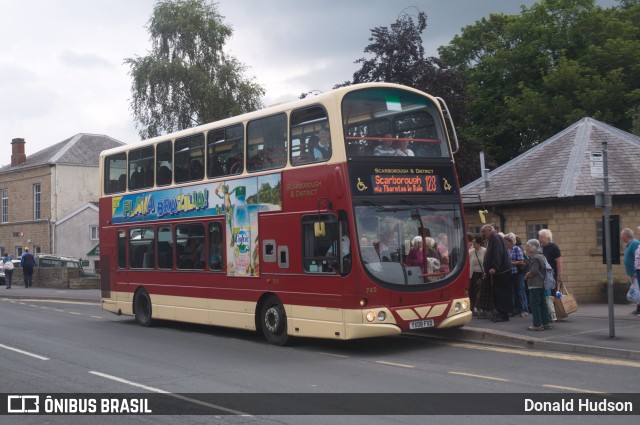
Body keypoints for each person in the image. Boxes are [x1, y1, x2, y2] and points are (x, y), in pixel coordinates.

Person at [481, 224, 512, 322]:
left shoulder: (495, 238)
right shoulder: (493, 238)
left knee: (501, 294)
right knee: (498, 294)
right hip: (500, 272)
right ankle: (500, 313)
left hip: (501, 272)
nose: (483, 234)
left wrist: (495, 267)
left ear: (489, 230)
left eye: (484, 232)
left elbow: (498, 253)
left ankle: (503, 314)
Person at [524, 239, 553, 331]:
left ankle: (537, 324)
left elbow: (534, 271)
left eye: (528, 246)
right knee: (543, 304)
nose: (527, 248)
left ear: (533, 247)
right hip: (542, 284)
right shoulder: (542, 256)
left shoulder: (535, 257)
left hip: (535, 284)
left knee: (535, 304)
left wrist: (527, 275)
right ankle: (546, 323)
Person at [505, 233, 528, 317]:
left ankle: (522, 310)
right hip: (509, 273)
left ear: (511, 241)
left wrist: (511, 263)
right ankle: (512, 310)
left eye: (507, 240)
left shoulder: (517, 249)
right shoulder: (506, 249)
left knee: (519, 291)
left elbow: (521, 261)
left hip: (517, 273)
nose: (506, 242)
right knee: (510, 292)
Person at [621, 228, 640, 315]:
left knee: (637, 290)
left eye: (622, 235)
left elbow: (638, 257)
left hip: (636, 272)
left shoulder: (634, 243)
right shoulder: (630, 244)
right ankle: (638, 308)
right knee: (637, 290)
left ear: (625, 236)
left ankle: (639, 309)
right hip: (632, 272)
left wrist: (636, 271)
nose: (621, 237)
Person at [538, 229, 562, 293]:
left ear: (548, 237)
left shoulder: (554, 247)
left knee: (552, 294)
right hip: (543, 276)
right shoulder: (541, 248)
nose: (540, 239)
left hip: (552, 275)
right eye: (539, 237)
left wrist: (559, 276)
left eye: (542, 237)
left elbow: (559, 262)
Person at [469, 235, 486, 313]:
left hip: (481, 274)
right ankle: (473, 307)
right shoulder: (471, 252)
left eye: (475, 243)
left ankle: (480, 307)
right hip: (473, 274)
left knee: (481, 292)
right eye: (472, 243)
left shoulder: (485, 251)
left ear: (479, 243)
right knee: (473, 291)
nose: (473, 244)